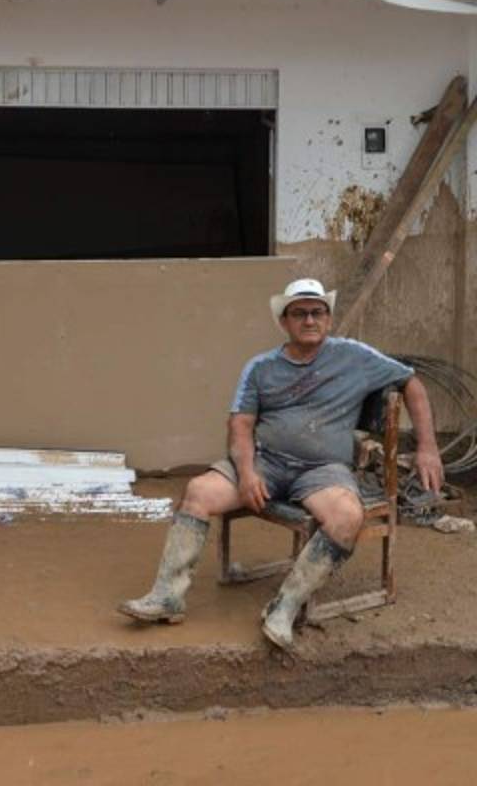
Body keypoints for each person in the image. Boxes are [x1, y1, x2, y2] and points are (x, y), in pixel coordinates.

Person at [118, 278, 443, 649]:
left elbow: (411, 383)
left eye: (317, 312)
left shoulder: (356, 357)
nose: (309, 320)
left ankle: (284, 606)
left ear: (329, 318)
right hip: (267, 464)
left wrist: (427, 447)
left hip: (323, 471)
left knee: (347, 517)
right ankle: (167, 596)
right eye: (299, 313)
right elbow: (240, 425)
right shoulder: (260, 368)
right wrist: (246, 472)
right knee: (198, 491)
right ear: (284, 322)